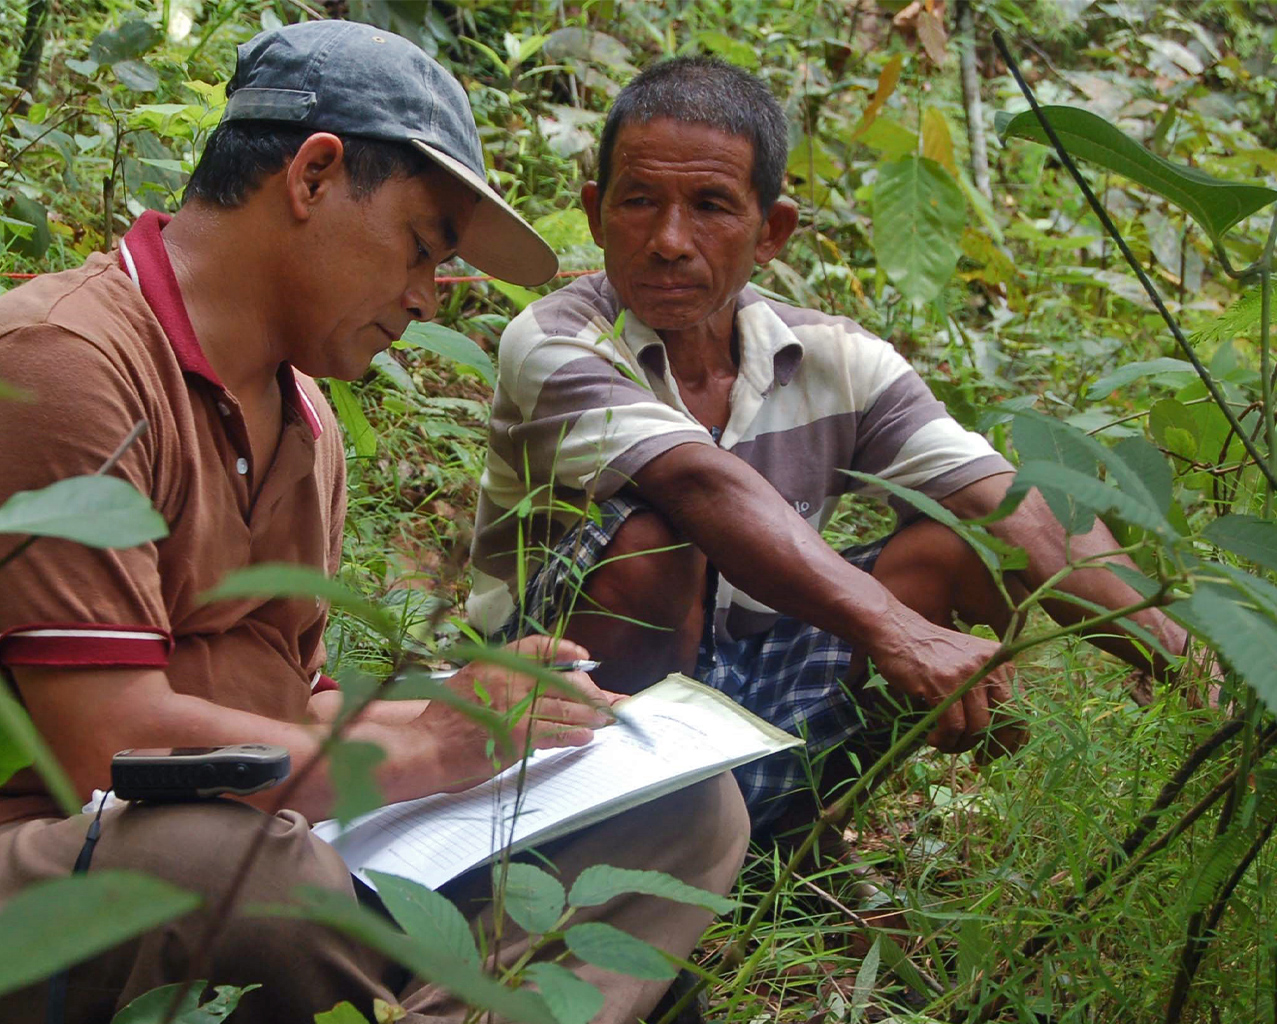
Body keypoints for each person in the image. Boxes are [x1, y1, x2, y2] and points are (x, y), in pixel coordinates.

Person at [0, 23, 749, 1024]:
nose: (425, 298)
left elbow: (286, 709)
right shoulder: (63, 360)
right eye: (420, 249)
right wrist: (421, 751)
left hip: (258, 850)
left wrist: (482, 722)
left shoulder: (308, 424)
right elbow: (110, 747)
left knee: (684, 809)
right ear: (314, 175)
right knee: (226, 863)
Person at [468, 56, 1196, 840]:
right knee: (654, 539)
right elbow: (700, 486)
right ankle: (592, 836)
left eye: (711, 205)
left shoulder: (835, 359)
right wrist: (896, 631)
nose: (669, 240)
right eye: (639, 202)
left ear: (772, 231)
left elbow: (1004, 496)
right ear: (597, 212)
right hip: (545, 688)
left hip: (754, 670)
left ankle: (788, 835)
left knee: (960, 548)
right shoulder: (554, 339)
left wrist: (1194, 670)